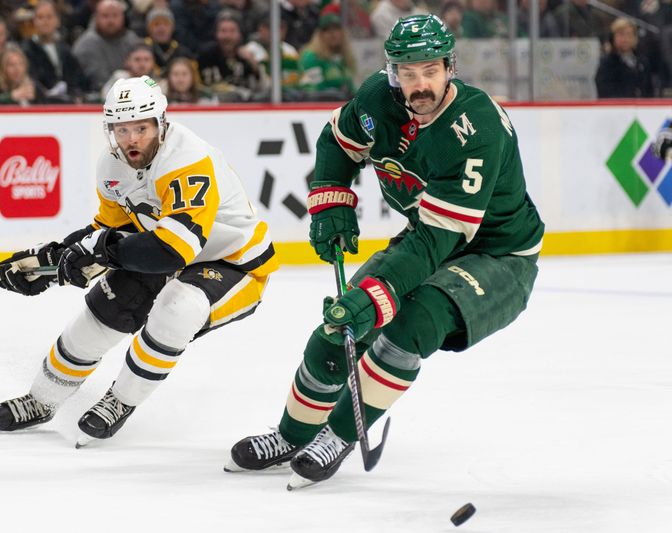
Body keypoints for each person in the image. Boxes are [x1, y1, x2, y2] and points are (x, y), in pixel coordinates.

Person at [225, 14, 544, 490]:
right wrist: (331, 198)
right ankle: (290, 435)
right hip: (428, 234)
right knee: (339, 324)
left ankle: (337, 435)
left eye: (430, 71)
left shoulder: (476, 127)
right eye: (408, 72)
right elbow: (338, 140)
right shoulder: (378, 99)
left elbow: (438, 239)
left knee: (412, 322)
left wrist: (376, 294)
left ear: (449, 66)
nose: (420, 85)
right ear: (392, 71)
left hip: (498, 256)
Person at [0, 75, 278, 448]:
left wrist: (99, 251)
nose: (131, 139)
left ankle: (119, 401)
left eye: (141, 127)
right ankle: (42, 400)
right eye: (121, 129)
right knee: (102, 314)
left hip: (235, 263)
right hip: (165, 251)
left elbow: (171, 251)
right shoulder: (111, 167)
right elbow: (108, 229)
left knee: (177, 309)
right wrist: (50, 261)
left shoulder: (188, 161)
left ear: (161, 123)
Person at [595, 18, 654, 98]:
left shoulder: (643, 62)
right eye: (621, 34)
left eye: (629, 35)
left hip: (641, 108)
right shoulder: (607, 63)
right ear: (613, 37)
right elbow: (604, 91)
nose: (625, 39)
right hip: (617, 108)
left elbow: (649, 91)